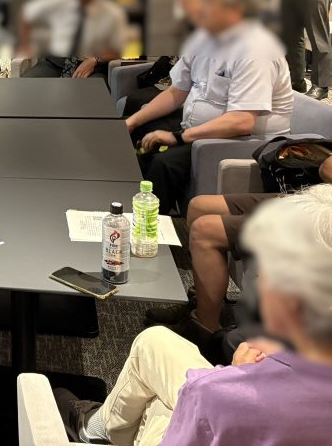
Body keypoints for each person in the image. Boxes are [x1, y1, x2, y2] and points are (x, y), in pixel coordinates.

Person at [55, 185, 332, 446]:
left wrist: (236, 377)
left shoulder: (219, 395)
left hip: (223, 409)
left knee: (159, 405)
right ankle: (99, 427)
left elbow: (218, 412)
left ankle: (95, 429)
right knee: (154, 341)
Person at [125, 0, 294, 214]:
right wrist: (132, 122)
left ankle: (150, 226)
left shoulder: (255, 51)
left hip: (244, 141)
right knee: (138, 132)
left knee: (164, 164)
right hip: (202, 130)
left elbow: (241, 121)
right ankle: (126, 202)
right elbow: (176, 92)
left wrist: (178, 137)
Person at [147, 153, 332, 348]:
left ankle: (205, 331)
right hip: (314, 199)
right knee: (199, 206)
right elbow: (326, 168)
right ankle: (201, 304)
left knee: (205, 230)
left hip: (320, 219)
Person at [121, 0, 210, 120]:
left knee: (136, 105)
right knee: (133, 106)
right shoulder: (188, 29)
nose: (182, 0)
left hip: (194, 107)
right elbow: (178, 85)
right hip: (176, 88)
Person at [19, 0, 126, 79]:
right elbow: (27, 12)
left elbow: (117, 51)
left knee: (94, 87)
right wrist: (26, 46)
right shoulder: (60, 1)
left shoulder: (113, 13)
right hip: (56, 63)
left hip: (93, 66)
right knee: (28, 81)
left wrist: (95, 60)